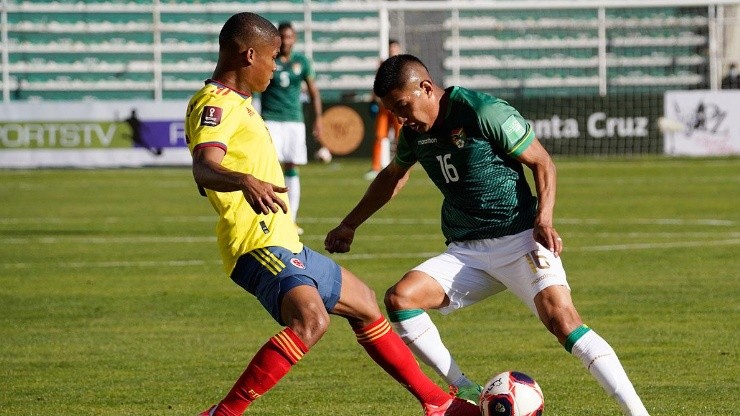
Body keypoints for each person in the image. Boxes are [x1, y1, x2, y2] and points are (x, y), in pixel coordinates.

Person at [185, 14, 479, 416]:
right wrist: (245, 181)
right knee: (311, 321)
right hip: (255, 243)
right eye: (272, 58)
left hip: (283, 240)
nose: (276, 66)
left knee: (366, 303)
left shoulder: (241, 105)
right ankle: (223, 414)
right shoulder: (215, 104)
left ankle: (437, 403)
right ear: (249, 55)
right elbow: (204, 166)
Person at [325, 54, 650, 416]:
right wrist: (349, 224)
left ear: (426, 88)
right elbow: (392, 177)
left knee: (563, 322)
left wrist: (544, 218)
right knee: (400, 299)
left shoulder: (482, 111)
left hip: (522, 238)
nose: (400, 119)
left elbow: (542, 162)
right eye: (393, 112)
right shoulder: (413, 134)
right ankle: (464, 387)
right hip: (467, 251)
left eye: (402, 106)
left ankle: (637, 412)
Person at [260, 21, 323, 235]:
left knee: (292, 167)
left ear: (294, 38)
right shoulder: (268, 59)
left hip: (294, 121)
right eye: (282, 37)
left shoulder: (302, 62)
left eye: (289, 37)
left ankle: (291, 219)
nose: (286, 41)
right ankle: (271, 218)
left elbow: (314, 92)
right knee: (270, 168)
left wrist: (318, 120)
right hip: (271, 119)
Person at [365, 39, 403, 180]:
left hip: (397, 107)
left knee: (401, 137)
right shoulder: (382, 65)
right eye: (390, 48)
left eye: (395, 48)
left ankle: (402, 165)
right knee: (379, 136)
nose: (392, 51)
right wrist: (372, 100)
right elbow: (377, 84)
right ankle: (375, 167)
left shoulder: (402, 65)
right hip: (383, 107)